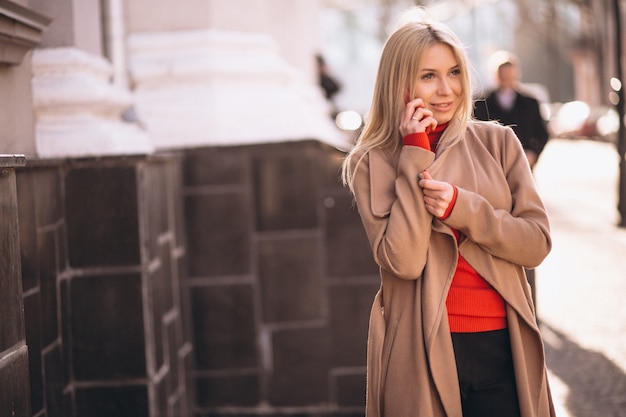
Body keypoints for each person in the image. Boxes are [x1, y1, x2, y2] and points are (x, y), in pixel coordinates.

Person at [341, 9, 555, 417]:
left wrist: (464, 208)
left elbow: (536, 245)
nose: (446, 89)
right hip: (420, 346)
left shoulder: (499, 142)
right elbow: (404, 261)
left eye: (454, 72)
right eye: (428, 76)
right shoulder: (372, 161)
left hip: (502, 343)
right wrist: (414, 153)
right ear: (399, 83)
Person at [474, 53, 551, 308]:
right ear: (496, 75)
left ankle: (527, 292)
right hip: (490, 173)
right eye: (502, 72)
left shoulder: (530, 101)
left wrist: (532, 153)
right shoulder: (481, 101)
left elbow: (543, 132)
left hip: (523, 171)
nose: (507, 77)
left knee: (525, 222)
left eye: (510, 72)